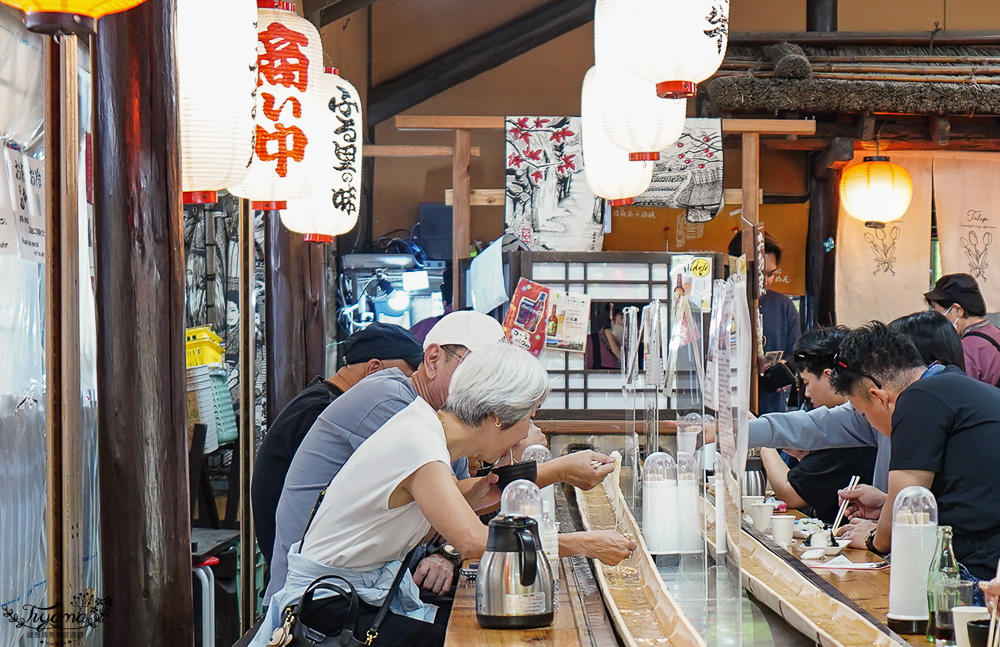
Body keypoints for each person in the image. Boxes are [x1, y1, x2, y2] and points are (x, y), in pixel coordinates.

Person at [249, 343, 636, 647]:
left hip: (356, 595)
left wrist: (514, 482)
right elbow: (470, 539)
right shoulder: (419, 443)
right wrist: (583, 544)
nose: (529, 430)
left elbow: (458, 497)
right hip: (329, 611)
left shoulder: (423, 425)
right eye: (529, 416)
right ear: (499, 415)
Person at [830, 322, 1000, 582]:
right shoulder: (955, 385)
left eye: (863, 414)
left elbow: (904, 505)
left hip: (975, 573)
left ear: (878, 397)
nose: (868, 422)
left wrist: (871, 538)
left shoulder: (918, 398)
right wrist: (885, 502)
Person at [252, 323, 424, 571]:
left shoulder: (321, 399)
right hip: (300, 574)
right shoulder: (320, 409)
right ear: (374, 369)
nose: (409, 390)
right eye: (406, 378)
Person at [748, 310, 967, 494]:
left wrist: (875, 535)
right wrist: (734, 431)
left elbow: (909, 510)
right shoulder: (875, 408)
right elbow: (811, 425)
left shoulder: (932, 414)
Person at [758, 327, 877, 523]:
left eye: (807, 382)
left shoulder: (848, 428)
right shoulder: (843, 420)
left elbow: (790, 493)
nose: (806, 393)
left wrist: (763, 441)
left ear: (829, 377)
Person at [728, 231, 801, 414]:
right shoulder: (721, 302)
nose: (765, 282)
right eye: (759, 274)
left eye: (771, 274)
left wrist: (783, 367)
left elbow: (797, 355)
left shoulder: (784, 305)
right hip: (728, 405)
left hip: (771, 409)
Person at [925, 272, 1000, 385]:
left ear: (958, 310)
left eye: (937, 311)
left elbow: (961, 394)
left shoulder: (966, 349)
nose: (937, 317)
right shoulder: (995, 332)